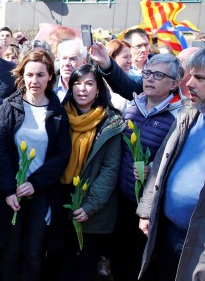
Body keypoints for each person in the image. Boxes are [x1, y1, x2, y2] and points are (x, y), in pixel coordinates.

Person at [136, 44, 205, 280]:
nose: (189, 84)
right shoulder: (189, 113)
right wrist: (147, 210)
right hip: (165, 231)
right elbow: (162, 162)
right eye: (190, 75)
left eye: (200, 78)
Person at [0, 49, 71, 280]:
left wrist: (35, 183)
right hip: (11, 194)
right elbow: (0, 147)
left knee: (34, 252)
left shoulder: (57, 113)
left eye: (41, 75)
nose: (34, 81)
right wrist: (7, 189)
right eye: (30, 74)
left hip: (40, 193)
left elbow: (62, 155)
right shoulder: (9, 106)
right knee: (10, 250)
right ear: (22, 75)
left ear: (50, 77)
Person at [110, 53, 185, 281]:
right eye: (147, 73)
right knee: (118, 256)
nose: (150, 79)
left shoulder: (180, 116)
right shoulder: (134, 105)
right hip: (122, 197)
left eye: (159, 75)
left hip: (151, 206)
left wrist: (153, 168)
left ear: (174, 83)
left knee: (141, 262)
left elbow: (179, 161)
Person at [57, 64, 124, 280]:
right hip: (62, 197)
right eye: (77, 83)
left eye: (88, 83)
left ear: (98, 89)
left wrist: (90, 206)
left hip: (93, 204)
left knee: (87, 262)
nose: (82, 89)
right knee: (62, 259)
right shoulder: (60, 115)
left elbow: (109, 169)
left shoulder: (111, 122)